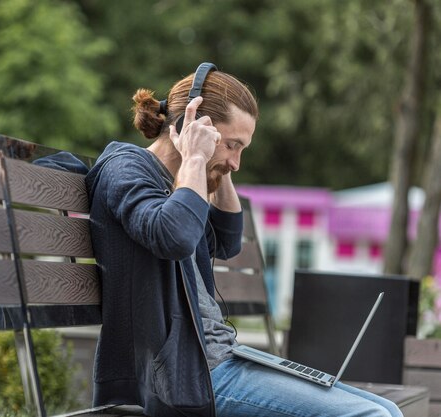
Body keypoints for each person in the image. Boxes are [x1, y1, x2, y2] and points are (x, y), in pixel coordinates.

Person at [84, 63, 403, 417]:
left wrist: (218, 165)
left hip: (221, 358)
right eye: (232, 145)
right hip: (184, 374)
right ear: (190, 128)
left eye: (242, 149)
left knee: (386, 408)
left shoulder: (180, 183)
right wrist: (197, 157)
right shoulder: (125, 168)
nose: (237, 162)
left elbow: (227, 239)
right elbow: (172, 236)